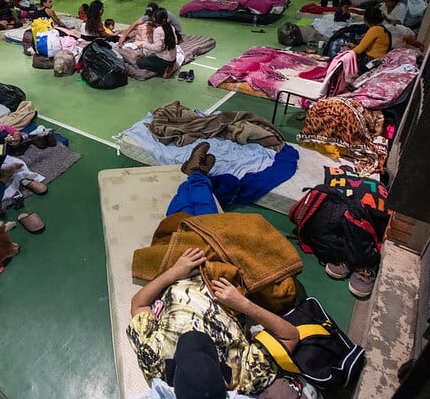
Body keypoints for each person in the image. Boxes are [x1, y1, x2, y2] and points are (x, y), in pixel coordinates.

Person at [128, 143, 301, 397]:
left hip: (181, 268)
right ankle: (198, 175)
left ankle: (195, 174)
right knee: (207, 216)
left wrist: (174, 272)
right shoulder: (244, 375)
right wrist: (243, 304)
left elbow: (138, 305)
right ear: (223, 377)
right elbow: (290, 337)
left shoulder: (155, 361)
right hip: (221, 274)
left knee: (180, 215)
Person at [135, 8, 177, 75]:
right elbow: (176, 41)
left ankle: (164, 69)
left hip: (164, 60)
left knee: (139, 62)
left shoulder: (158, 30)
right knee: (149, 56)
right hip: (173, 58)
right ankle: (170, 65)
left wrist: (143, 44)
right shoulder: (171, 27)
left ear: (154, 19)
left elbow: (158, 48)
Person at [349, 6, 390, 72]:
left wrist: (345, 54)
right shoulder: (383, 29)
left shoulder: (374, 29)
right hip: (380, 58)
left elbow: (359, 50)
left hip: (372, 60)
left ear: (366, 20)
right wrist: (355, 47)